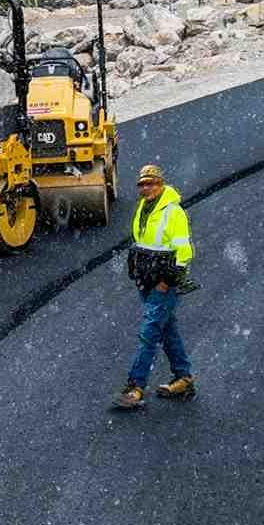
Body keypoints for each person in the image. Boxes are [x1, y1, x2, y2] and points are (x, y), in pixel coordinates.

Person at [112, 160, 196, 411]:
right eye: (142, 184)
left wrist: (167, 281)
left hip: (163, 285)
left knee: (149, 334)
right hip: (147, 282)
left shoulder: (173, 212)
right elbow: (142, 243)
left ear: (160, 185)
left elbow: (184, 251)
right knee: (168, 331)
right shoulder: (143, 208)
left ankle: (135, 387)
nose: (145, 188)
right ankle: (184, 379)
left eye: (150, 184)